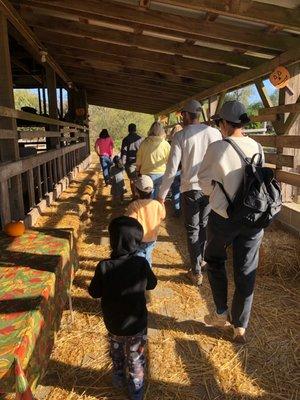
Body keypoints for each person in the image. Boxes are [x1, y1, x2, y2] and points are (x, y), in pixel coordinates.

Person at [197, 100, 265, 343]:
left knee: (215, 260)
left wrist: (217, 193)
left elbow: (203, 182)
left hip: (223, 217)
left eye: (219, 122)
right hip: (253, 218)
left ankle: (220, 311)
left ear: (225, 123)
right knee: (246, 270)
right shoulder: (257, 145)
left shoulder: (218, 148)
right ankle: (240, 327)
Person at [88, 216, 157, 400]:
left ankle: (118, 377)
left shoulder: (103, 266)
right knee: (136, 358)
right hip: (137, 324)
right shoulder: (141, 264)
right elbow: (152, 284)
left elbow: (93, 292)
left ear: (112, 241)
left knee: (116, 352)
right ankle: (136, 391)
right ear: (136, 242)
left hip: (113, 324)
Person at [158, 100, 222, 286]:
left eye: (182, 115)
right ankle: (201, 261)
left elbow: (171, 170)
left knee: (193, 230)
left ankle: (196, 271)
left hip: (191, 189)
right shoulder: (215, 133)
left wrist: (162, 195)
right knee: (204, 225)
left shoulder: (181, 136)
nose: (181, 118)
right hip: (210, 189)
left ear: (186, 115)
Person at [126, 175, 165, 268]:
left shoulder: (134, 205)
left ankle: (142, 276)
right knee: (148, 256)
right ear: (152, 191)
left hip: (139, 239)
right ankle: (148, 274)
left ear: (136, 190)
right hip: (152, 238)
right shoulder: (157, 204)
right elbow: (163, 216)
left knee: (139, 259)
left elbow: (129, 220)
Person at [136, 122, 170, 199]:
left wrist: (138, 172)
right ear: (162, 131)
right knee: (159, 198)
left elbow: (139, 161)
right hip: (161, 174)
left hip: (146, 174)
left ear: (150, 130)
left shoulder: (144, 143)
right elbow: (170, 160)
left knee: (148, 199)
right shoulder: (165, 144)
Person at [121, 123, 143, 197]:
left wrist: (122, 163)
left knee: (133, 180)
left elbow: (124, 152)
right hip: (140, 163)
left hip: (130, 163)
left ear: (128, 130)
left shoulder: (126, 139)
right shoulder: (141, 139)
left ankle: (135, 196)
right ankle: (140, 195)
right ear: (135, 129)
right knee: (140, 179)